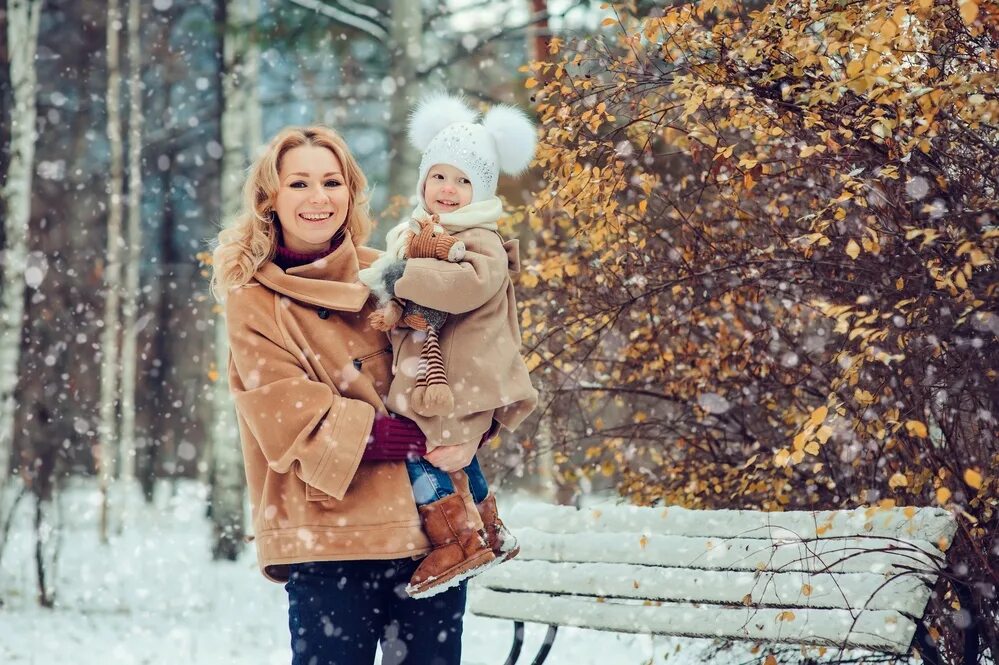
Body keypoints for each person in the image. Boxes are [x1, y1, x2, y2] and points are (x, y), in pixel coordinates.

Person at [210, 125, 476, 665]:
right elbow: (286, 413)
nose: (318, 198)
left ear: (350, 193)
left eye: (332, 182)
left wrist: (470, 422)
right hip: (330, 543)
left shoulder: (395, 272)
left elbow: (469, 364)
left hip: (434, 536)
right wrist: (410, 432)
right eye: (300, 184)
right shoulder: (252, 299)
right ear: (270, 198)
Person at [358, 93, 539, 598]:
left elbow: (462, 285)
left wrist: (401, 276)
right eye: (440, 176)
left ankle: (455, 539)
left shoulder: (479, 240)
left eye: (464, 181)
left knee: (425, 455)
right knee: (453, 457)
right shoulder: (419, 234)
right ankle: (489, 526)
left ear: (480, 190)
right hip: (439, 376)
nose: (450, 189)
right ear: (423, 181)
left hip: (455, 380)